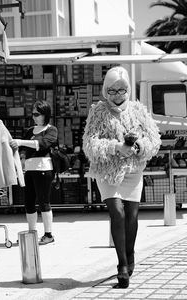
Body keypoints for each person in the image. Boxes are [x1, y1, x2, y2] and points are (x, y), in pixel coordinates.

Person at [83, 66, 161, 288]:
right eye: (112, 91)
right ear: (105, 91)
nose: (117, 96)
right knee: (117, 213)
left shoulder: (138, 110)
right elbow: (89, 143)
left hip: (133, 171)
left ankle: (130, 255)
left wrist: (136, 145)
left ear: (128, 90)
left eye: (121, 90)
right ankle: (122, 266)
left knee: (132, 217)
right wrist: (115, 146)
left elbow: (154, 140)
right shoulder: (98, 111)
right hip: (108, 172)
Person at [10, 100, 57, 245]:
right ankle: (31, 232)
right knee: (28, 202)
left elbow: (42, 144)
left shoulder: (51, 130)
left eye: (37, 114)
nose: (34, 117)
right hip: (29, 169)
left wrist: (20, 142)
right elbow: (23, 148)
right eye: (33, 114)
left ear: (45, 114)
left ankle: (48, 234)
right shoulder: (30, 131)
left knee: (44, 201)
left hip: (43, 169)